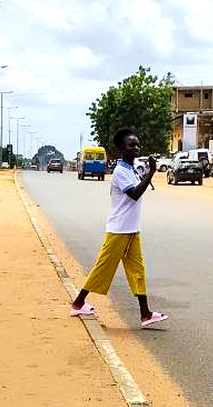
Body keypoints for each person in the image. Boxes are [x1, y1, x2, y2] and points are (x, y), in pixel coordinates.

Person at [69, 128, 168, 328]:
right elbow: (135, 194)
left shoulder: (132, 169)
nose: (136, 148)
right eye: (132, 145)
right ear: (122, 148)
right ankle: (78, 303)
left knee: (138, 270)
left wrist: (146, 173)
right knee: (103, 267)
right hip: (118, 230)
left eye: (137, 144)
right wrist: (151, 172)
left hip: (131, 229)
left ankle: (146, 314)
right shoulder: (120, 172)